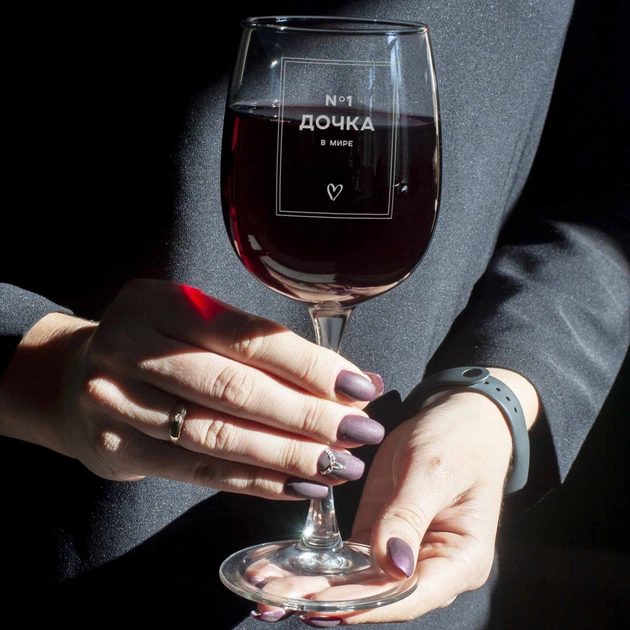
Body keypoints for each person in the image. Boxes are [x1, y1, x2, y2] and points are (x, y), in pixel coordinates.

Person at [0, 0, 627, 627]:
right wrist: (41, 364)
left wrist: (501, 396)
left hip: (416, 587)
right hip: (75, 562)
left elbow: (604, 187)